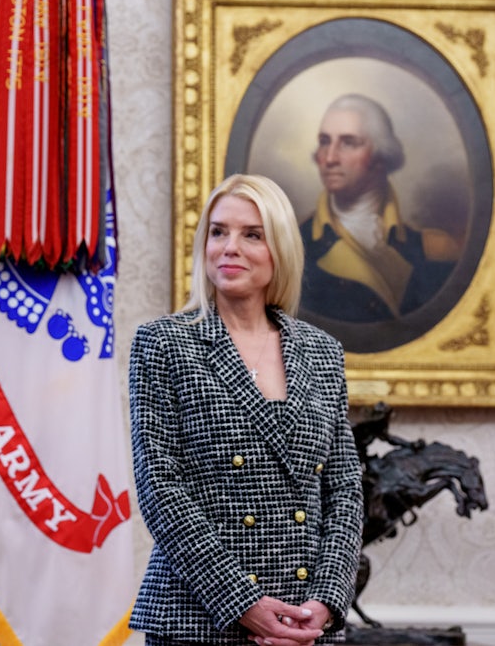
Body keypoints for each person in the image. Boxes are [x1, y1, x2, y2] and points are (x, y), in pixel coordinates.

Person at [128, 174, 363, 645]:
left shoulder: (322, 351)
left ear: (279, 250)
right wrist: (242, 602)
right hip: (199, 621)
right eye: (218, 231)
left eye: (251, 234)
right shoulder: (163, 345)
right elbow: (161, 489)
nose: (229, 247)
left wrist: (327, 601)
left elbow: (345, 490)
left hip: (305, 627)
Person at [300, 93, 459, 323]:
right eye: (325, 141)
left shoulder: (435, 250)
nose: (330, 158)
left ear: (380, 156)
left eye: (348, 143)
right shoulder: (292, 246)